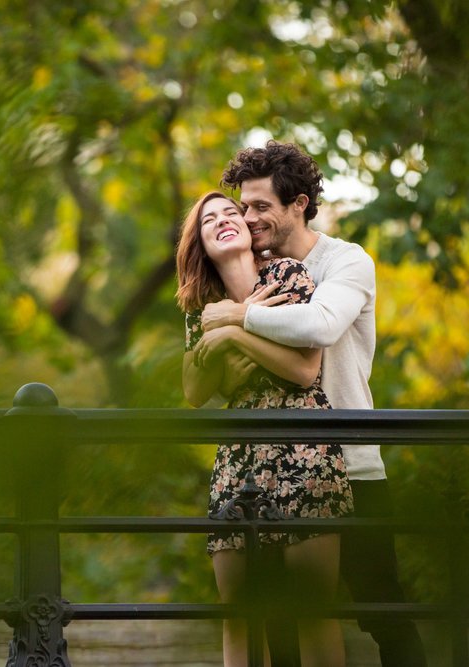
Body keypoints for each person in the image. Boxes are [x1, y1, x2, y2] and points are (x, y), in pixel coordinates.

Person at [202, 141, 428, 667]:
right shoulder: (256, 273)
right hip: (280, 471)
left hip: (351, 463)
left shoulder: (346, 261)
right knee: (284, 622)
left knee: (381, 610)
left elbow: (320, 327)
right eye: (243, 206)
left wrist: (236, 317)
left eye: (261, 206)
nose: (249, 217)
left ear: (298, 204)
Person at [176, 191, 353, 667]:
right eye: (208, 219)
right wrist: (244, 340)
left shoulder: (287, 275)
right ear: (201, 243)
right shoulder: (201, 306)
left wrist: (232, 333)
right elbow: (195, 390)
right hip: (238, 457)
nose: (223, 221)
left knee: (314, 614)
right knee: (238, 613)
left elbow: (302, 371)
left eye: (230, 212)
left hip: (305, 447)